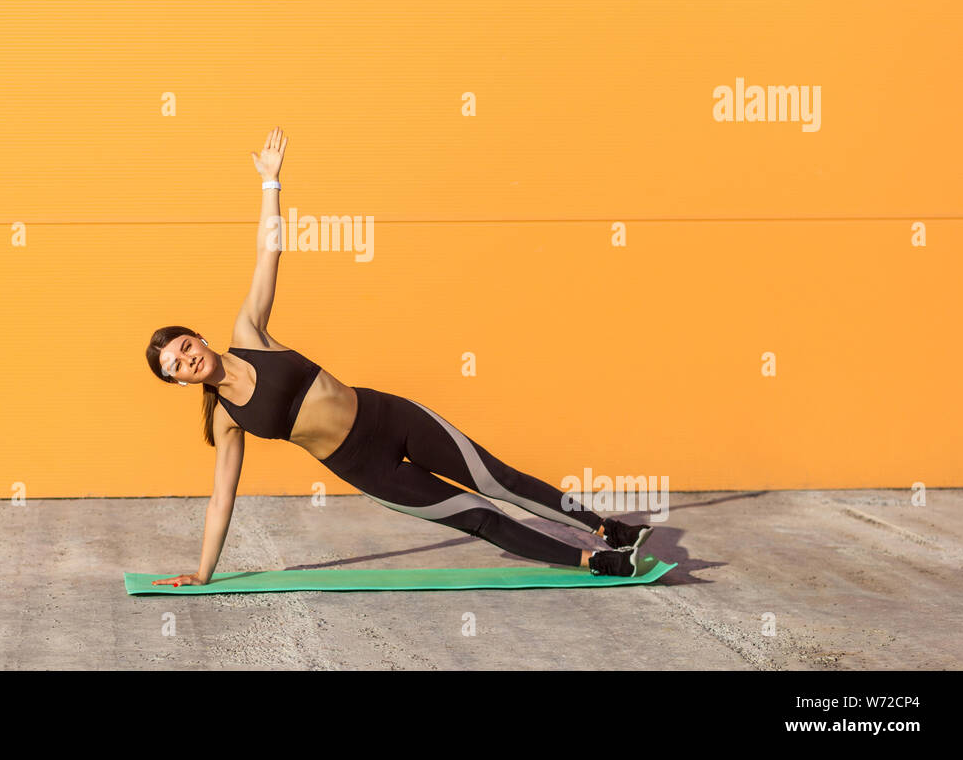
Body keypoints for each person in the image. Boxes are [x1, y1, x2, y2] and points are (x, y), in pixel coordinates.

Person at [146, 128, 654, 587]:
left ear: (199, 338)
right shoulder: (229, 421)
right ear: (180, 383)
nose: (185, 361)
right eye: (174, 367)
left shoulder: (248, 332)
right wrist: (202, 573)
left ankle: (610, 530)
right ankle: (597, 563)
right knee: (478, 517)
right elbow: (221, 499)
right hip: (367, 467)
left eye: (184, 347)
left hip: (390, 416)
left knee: (499, 479)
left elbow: (268, 252)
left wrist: (271, 184)